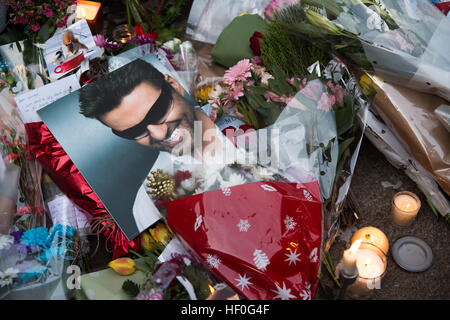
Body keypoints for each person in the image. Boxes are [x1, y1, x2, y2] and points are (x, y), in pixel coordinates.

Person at [79, 58, 224, 162]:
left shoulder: (235, 107)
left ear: (173, 85)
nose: (159, 135)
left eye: (158, 112)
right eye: (135, 131)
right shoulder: (148, 201)